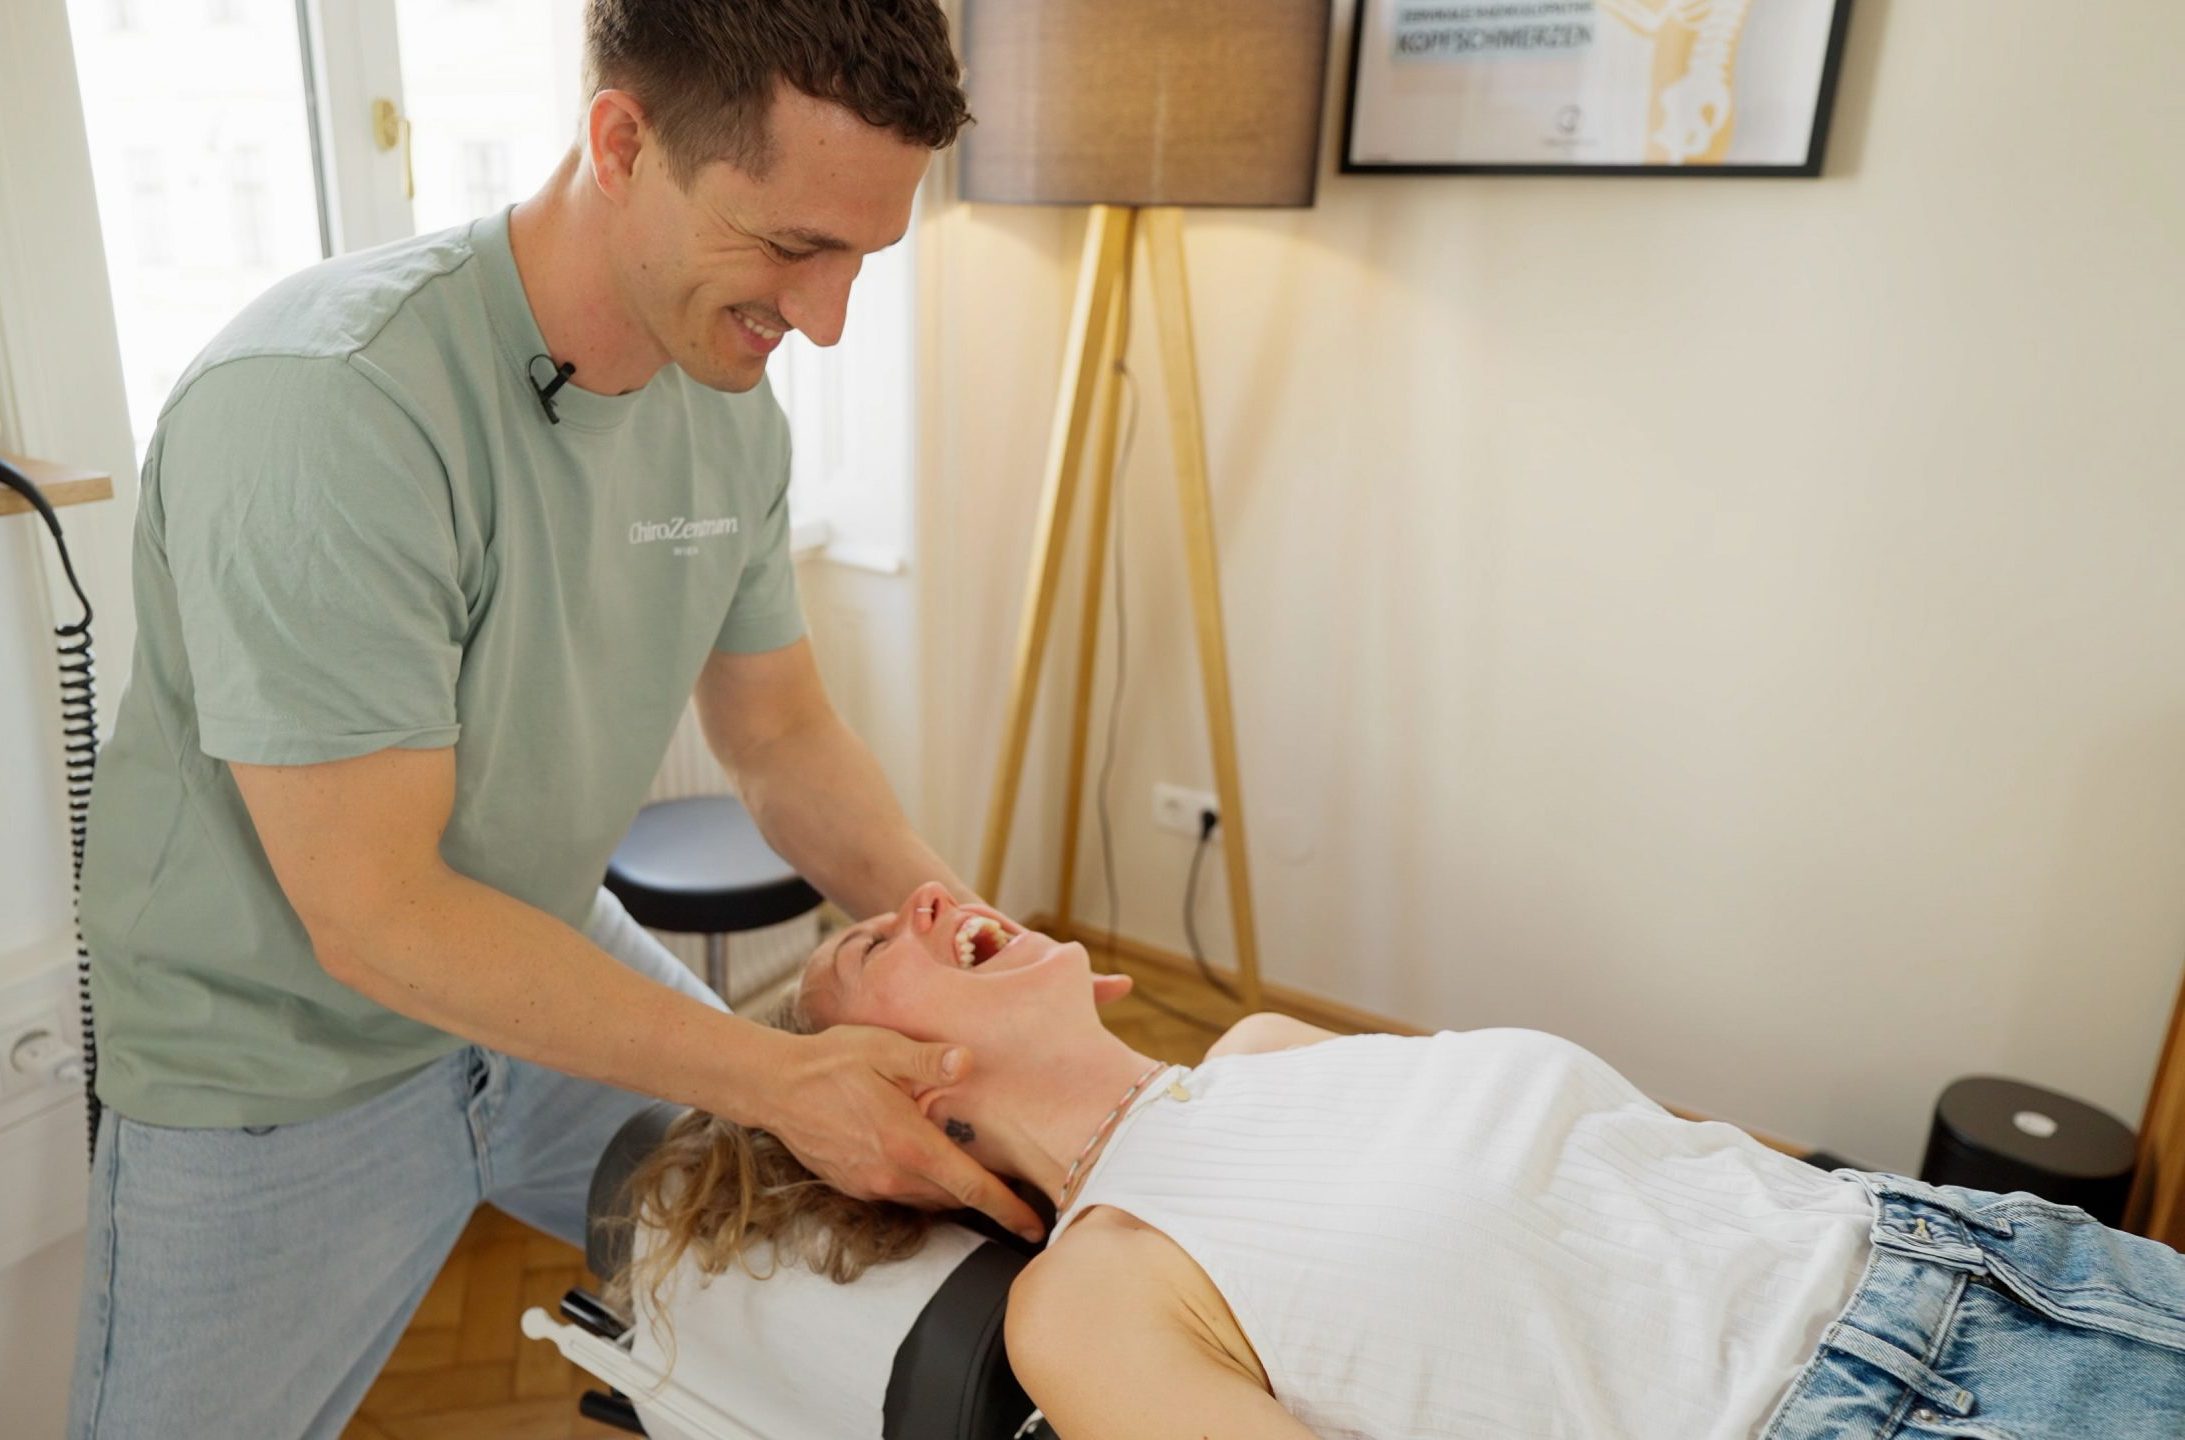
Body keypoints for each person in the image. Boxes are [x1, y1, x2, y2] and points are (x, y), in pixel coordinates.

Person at [65, 6, 1132, 1437]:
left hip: (547, 967)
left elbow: (782, 740)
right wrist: (778, 1079)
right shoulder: (325, 409)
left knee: (872, 1303)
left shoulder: (725, 404)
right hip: (276, 1062)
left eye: (861, 258)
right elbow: (375, 916)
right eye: (791, 247)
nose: (822, 319)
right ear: (621, 142)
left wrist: (972, 940)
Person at [619, 882, 2185, 1439]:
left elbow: (1622, 1153)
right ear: (889, 1091)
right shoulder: (1091, 1298)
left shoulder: (1262, 1049)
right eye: (865, 945)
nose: (925, 892)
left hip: (1967, 1250)